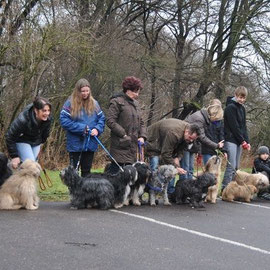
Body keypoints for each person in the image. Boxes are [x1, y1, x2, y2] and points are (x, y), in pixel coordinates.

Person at [60, 78, 105, 177]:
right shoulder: (69, 103)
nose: (85, 93)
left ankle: (86, 192)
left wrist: (97, 129)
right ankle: (74, 192)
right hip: (75, 143)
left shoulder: (95, 104)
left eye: (87, 91)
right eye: (83, 91)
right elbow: (64, 121)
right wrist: (82, 128)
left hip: (90, 143)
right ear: (78, 91)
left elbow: (101, 118)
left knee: (87, 171)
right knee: (74, 172)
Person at [145, 118, 200, 193]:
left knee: (172, 166)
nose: (191, 141)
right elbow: (166, 154)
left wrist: (178, 157)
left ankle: (169, 191)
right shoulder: (174, 134)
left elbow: (183, 148)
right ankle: (153, 191)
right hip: (153, 142)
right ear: (187, 132)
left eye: (193, 140)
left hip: (166, 144)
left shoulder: (187, 134)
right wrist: (176, 167)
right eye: (190, 138)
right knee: (154, 167)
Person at [106, 76, 146, 174]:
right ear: (128, 90)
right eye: (135, 92)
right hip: (120, 145)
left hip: (133, 146)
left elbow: (141, 122)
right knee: (115, 173)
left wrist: (142, 136)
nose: (137, 94)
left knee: (129, 176)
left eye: (138, 92)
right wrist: (123, 134)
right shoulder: (116, 102)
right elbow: (110, 121)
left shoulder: (136, 104)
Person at [181, 99, 225, 180]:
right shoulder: (200, 119)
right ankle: (184, 188)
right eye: (216, 119)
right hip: (184, 143)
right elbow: (202, 137)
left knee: (190, 168)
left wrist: (198, 151)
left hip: (191, 145)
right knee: (186, 168)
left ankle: (189, 188)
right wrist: (217, 145)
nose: (216, 121)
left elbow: (198, 137)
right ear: (214, 115)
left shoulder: (204, 118)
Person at [5, 96, 52, 169]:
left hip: (36, 142)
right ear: (36, 110)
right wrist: (14, 156)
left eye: (48, 110)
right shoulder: (23, 120)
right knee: (31, 167)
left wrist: (41, 143)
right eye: (44, 110)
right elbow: (9, 136)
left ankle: (21, 178)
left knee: (34, 168)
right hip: (22, 141)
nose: (47, 113)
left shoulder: (48, 119)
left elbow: (45, 135)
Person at [221, 86, 250, 190]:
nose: (241, 100)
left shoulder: (242, 108)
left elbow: (243, 126)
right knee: (231, 165)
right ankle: (224, 188)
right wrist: (242, 141)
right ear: (235, 95)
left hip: (239, 141)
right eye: (239, 97)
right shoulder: (230, 107)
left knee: (236, 167)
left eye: (243, 98)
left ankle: (232, 189)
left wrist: (247, 141)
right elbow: (234, 126)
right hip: (231, 139)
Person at [201, 99, 226, 165]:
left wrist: (223, 150)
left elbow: (221, 135)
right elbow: (204, 136)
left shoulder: (220, 121)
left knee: (216, 171)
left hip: (217, 150)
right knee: (208, 170)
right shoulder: (206, 119)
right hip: (207, 149)